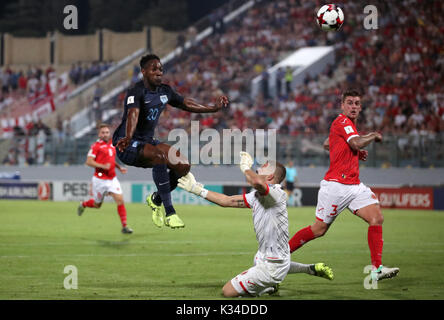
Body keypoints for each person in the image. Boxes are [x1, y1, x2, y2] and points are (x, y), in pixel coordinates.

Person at [178, 152, 334, 297]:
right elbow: (226, 201)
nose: (259, 167)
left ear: (271, 176)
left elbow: (257, 181)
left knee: (227, 291)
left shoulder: (277, 194)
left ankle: (269, 285)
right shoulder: (256, 196)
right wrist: (197, 190)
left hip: (273, 266)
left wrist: (246, 168)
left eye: (264, 167)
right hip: (268, 256)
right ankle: (309, 269)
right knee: (259, 257)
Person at [288, 89, 399, 282]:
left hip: (354, 186)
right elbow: (355, 143)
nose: (354, 106)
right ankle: (279, 255)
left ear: (361, 107)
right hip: (336, 186)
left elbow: (327, 143)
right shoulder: (342, 121)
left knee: (376, 218)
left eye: (357, 103)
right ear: (342, 105)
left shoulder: (349, 126)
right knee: (319, 229)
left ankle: (376, 269)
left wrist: (350, 150)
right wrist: (371, 136)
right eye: (350, 102)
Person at [112, 54, 229, 229]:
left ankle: (156, 199)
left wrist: (213, 108)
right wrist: (128, 137)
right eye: (154, 69)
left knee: (182, 165)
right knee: (160, 156)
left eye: (160, 69)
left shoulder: (165, 91)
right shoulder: (136, 91)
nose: (159, 72)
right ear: (144, 72)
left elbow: (186, 103)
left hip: (147, 142)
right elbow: (133, 115)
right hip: (126, 145)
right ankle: (170, 212)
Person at [78, 123, 133, 234]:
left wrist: (119, 168)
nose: (105, 134)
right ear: (99, 134)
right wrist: (103, 166)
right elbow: (88, 162)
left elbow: (111, 160)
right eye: (103, 132)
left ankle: (124, 226)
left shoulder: (112, 144)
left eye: (107, 132)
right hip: (100, 180)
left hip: (112, 179)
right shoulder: (95, 146)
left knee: (120, 200)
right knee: (97, 205)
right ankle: (83, 204)